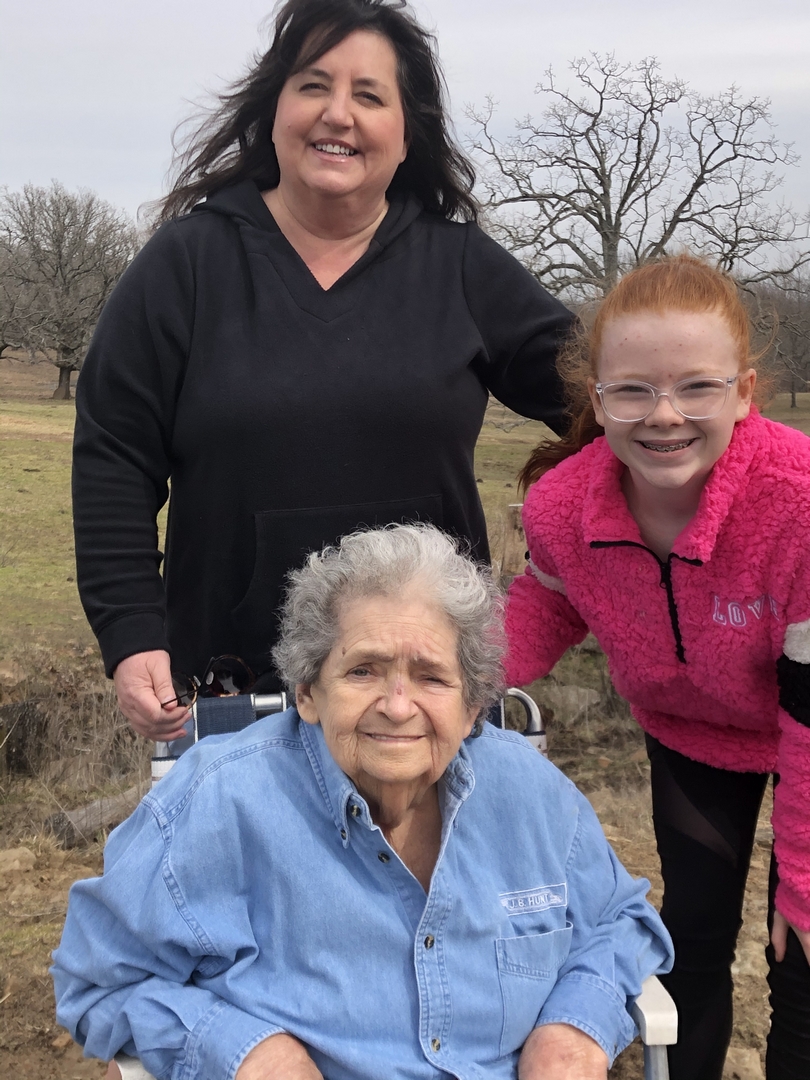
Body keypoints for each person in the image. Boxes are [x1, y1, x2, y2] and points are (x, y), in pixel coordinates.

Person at [71, 0, 574, 745]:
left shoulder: (462, 268)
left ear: (406, 133)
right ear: (275, 110)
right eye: (313, 85)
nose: (338, 114)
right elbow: (113, 455)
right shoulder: (187, 264)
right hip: (232, 696)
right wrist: (131, 629)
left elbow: (617, 406)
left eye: (369, 95)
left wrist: (574, 556)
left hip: (423, 695)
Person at [53, 524, 672, 1080]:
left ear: (472, 706)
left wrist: (571, 1032)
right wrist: (248, 1052)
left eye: (431, 676)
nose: (398, 707)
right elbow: (98, 978)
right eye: (363, 671)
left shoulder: (532, 794)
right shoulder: (219, 803)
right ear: (307, 692)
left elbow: (620, 921)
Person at [504, 255, 810, 1080]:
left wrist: (803, 877)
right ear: (598, 398)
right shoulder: (562, 507)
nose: (664, 415)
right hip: (690, 731)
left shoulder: (800, 504)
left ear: (745, 393)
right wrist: (455, 679)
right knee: (694, 937)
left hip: (807, 726)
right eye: (633, 390)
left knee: (802, 952)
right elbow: (546, 608)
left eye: (698, 387)